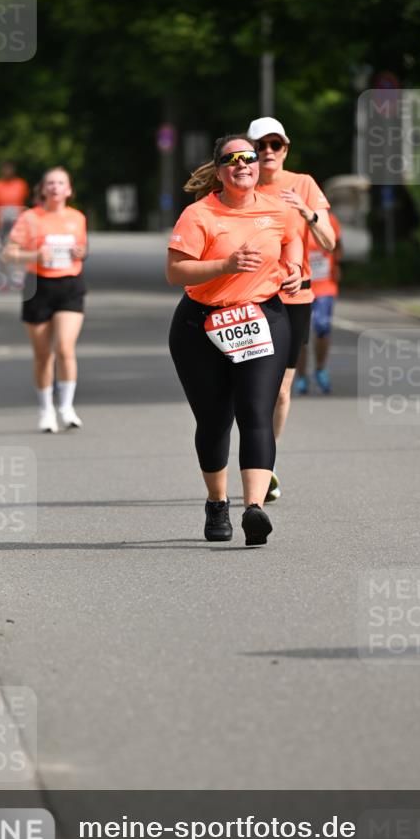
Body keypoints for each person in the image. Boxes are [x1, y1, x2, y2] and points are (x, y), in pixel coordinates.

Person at [167, 134, 303, 546]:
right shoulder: (199, 214)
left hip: (262, 318)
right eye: (232, 159)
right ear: (220, 170)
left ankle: (254, 509)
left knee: (256, 411)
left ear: (258, 165)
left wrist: (295, 267)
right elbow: (175, 271)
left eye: (249, 157)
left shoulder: (277, 208)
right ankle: (217, 502)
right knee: (214, 421)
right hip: (201, 325)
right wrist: (225, 265)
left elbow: (292, 236)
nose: (243, 163)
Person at [246, 117, 336, 501]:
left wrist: (307, 213)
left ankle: (266, 464)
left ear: (286, 149)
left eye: (275, 144)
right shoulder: (241, 184)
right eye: (261, 145)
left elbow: (329, 242)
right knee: (252, 389)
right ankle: (255, 456)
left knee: (281, 391)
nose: (268, 151)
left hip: (295, 298)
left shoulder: (304, 184)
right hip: (250, 298)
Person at [3, 166, 87, 433]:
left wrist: (80, 252)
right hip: (38, 286)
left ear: (68, 190)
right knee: (43, 355)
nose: (55, 187)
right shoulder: (30, 218)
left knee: (64, 348)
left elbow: (82, 249)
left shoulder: (77, 218)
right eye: (50, 183)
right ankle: (46, 410)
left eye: (60, 183)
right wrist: (35, 256)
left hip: (70, 285)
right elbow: (8, 253)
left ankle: (66, 407)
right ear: (42, 189)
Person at [295, 211, 342, 395]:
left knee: (322, 327)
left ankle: (320, 369)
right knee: (300, 334)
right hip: (300, 286)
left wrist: (337, 265)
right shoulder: (292, 217)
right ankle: (301, 376)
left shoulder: (329, 219)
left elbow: (337, 245)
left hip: (325, 286)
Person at [0, 161, 30, 243]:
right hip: (1, 224)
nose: (8, 171)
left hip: (17, 223)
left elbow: (26, 203)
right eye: (5, 168)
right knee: (2, 244)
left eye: (10, 168)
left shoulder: (21, 184)